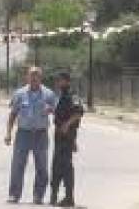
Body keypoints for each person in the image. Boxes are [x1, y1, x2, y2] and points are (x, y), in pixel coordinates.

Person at [5, 67, 57, 205]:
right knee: (17, 166)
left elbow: (57, 112)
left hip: (40, 134)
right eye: (31, 75)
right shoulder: (19, 94)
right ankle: (14, 195)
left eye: (37, 76)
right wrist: (8, 133)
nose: (34, 78)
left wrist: (51, 110)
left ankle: (38, 196)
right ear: (27, 77)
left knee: (42, 167)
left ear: (41, 78)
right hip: (23, 134)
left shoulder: (49, 94)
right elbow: (12, 115)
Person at [50, 72, 84, 207]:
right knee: (56, 166)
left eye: (61, 81)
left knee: (66, 168)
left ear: (67, 82)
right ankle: (54, 196)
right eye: (58, 81)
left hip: (66, 136)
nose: (59, 83)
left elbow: (78, 112)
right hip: (60, 136)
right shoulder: (62, 96)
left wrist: (67, 125)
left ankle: (69, 198)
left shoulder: (72, 95)